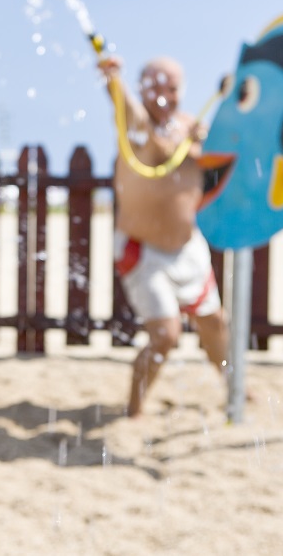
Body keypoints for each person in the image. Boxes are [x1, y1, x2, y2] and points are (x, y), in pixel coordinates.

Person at [98, 55, 230, 418]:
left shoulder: (189, 126)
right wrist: (114, 81)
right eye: (155, 86)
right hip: (143, 250)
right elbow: (126, 109)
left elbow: (220, 156)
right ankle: (134, 409)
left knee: (215, 322)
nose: (163, 95)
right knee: (165, 335)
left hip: (187, 246)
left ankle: (234, 388)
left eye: (171, 87)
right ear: (142, 88)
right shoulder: (138, 126)